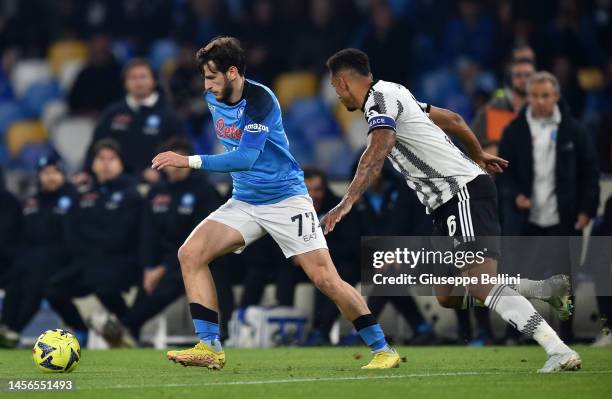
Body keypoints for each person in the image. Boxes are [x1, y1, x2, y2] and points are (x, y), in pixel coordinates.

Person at [323, 48, 580, 373]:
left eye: (335, 87)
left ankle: (556, 348)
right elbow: (454, 120)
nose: (336, 94)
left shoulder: (380, 99)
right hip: (446, 204)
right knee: (447, 294)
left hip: (461, 192)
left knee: (479, 281)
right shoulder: (397, 92)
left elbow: (378, 147)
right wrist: (479, 154)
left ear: (344, 82)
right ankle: (543, 289)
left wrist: (346, 202)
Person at [151, 36, 399, 370]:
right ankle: (209, 346)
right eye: (204, 78)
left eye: (211, 77)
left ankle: (383, 349)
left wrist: (188, 161)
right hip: (245, 201)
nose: (206, 86)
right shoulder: (214, 97)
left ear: (233, 72)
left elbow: (246, 158)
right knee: (190, 254)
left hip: (286, 200)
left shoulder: (261, 99)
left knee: (325, 278)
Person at [96, 137, 224, 347]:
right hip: (161, 260)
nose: (177, 166)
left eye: (182, 159)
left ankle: (124, 326)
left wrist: (163, 268)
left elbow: (201, 237)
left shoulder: (204, 191)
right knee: (143, 286)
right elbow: (148, 233)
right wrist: (149, 267)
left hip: (198, 258)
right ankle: (129, 332)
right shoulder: (157, 192)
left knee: (167, 285)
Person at [45, 139, 142, 345]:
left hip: (121, 261)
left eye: (112, 159)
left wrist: (93, 242)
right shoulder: (83, 194)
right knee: (52, 290)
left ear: (121, 163)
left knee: (103, 286)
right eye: (101, 159)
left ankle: (127, 327)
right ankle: (80, 330)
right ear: (93, 163)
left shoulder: (130, 194)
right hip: (86, 260)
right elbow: (71, 229)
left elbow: (122, 235)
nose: (106, 164)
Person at [0, 154, 78, 348]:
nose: (50, 177)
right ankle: (5, 327)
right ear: (38, 176)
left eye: (55, 172)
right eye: (45, 172)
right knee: (15, 279)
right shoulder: (30, 202)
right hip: (31, 259)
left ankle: (13, 330)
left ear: (63, 174)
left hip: (63, 260)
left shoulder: (74, 198)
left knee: (35, 281)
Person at [76, 58, 185, 185]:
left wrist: (161, 172)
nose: (138, 82)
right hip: (115, 183)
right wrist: (86, 171)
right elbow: (96, 146)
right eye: (133, 78)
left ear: (154, 80)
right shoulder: (112, 113)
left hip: (156, 184)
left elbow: (180, 151)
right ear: (125, 83)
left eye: (143, 77)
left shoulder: (169, 115)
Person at [471, 58, 536, 145]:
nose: (523, 80)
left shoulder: (541, 109)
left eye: (527, 75)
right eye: (518, 75)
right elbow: (492, 148)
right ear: (511, 79)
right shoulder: (498, 107)